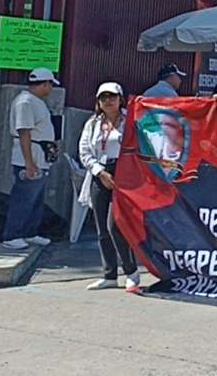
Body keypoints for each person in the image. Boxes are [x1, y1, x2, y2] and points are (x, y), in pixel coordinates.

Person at [77, 82, 139, 291]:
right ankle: (109, 274)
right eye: (103, 98)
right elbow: (85, 151)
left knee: (116, 225)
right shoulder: (93, 123)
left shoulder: (130, 121)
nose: (108, 101)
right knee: (102, 228)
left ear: (120, 98)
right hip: (99, 172)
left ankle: (131, 271)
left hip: (124, 173)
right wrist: (99, 172)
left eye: (112, 96)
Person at [2, 68, 59, 250]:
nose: (50, 88)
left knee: (35, 198)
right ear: (44, 84)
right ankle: (12, 234)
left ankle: (30, 232)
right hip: (29, 157)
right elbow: (24, 132)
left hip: (40, 156)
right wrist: (29, 162)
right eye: (50, 84)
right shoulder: (25, 102)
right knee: (23, 197)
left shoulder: (37, 102)